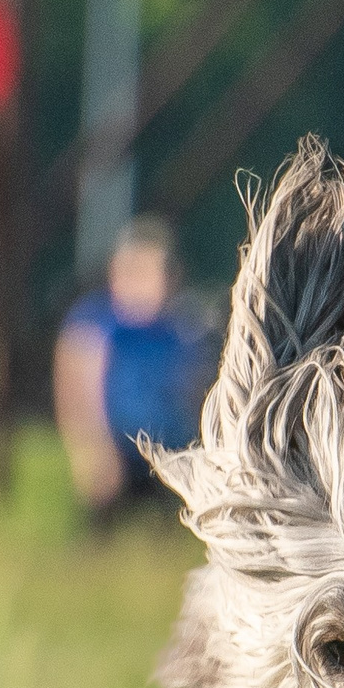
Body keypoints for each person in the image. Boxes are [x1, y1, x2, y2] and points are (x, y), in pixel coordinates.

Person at [53, 217, 211, 530]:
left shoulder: (182, 328)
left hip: (171, 455)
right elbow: (78, 394)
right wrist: (90, 450)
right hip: (114, 454)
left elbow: (196, 389)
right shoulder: (97, 325)